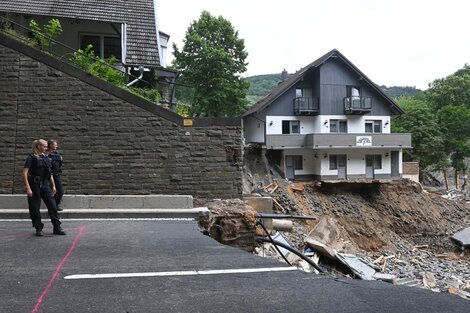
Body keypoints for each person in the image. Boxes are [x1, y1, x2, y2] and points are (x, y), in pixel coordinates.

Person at [22, 139, 66, 236]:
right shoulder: (31, 157)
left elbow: (49, 173)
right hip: (34, 184)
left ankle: (57, 227)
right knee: (35, 207)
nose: (46, 148)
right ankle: (38, 228)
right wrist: (28, 188)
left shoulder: (47, 158)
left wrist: (53, 186)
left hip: (45, 184)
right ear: (38, 146)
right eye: (44, 146)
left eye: (46, 146)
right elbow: (25, 173)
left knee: (53, 205)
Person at [48, 139, 64, 211]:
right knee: (50, 192)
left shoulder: (57, 154)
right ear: (51, 145)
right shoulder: (47, 154)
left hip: (56, 175)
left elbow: (60, 164)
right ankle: (51, 207)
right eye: (55, 144)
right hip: (49, 175)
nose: (56, 146)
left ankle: (56, 205)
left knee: (60, 191)